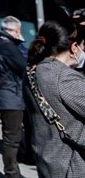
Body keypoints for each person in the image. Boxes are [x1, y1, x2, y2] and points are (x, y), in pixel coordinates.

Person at [24, 19, 85, 177]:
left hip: (48, 161)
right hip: (72, 165)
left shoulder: (32, 71)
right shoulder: (64, 78)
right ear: (74, 47)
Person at [0, 15, 27, 178]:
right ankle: (12, 173)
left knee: (11, 135)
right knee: (11, 138)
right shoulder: (7, 47)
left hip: (5, 95)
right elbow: (23, 67)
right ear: (16, 30)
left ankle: (13, 169)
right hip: (11, 97)